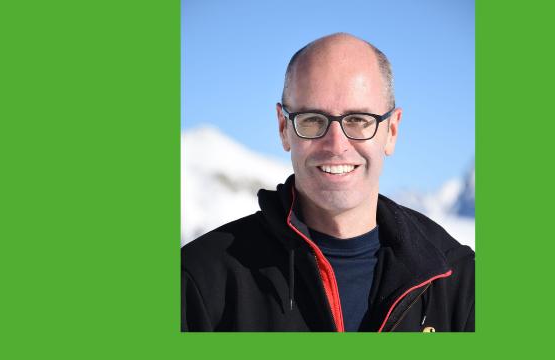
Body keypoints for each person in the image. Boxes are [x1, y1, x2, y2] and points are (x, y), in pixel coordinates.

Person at [181, 33, 475, 332]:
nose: (336, 144)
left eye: (359, 120)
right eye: (312, 119)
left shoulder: (459, 283)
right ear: (283, 128)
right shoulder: (199, 282)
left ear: (392, 131)